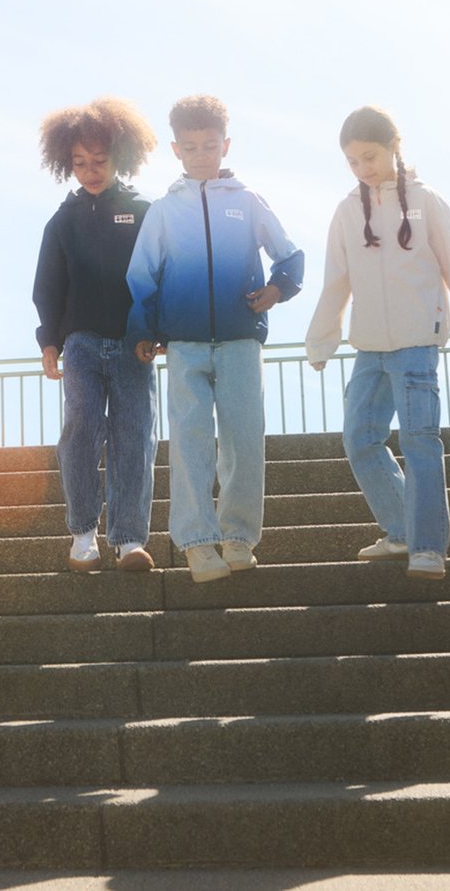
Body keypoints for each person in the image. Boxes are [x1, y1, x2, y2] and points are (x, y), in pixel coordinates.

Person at [127, 94, 304, 583]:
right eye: (191, 147)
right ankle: (198, 543)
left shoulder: (248, 202)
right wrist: (142, 328)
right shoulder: (163, 210)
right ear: (175, 150)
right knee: (189, 441)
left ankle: (238, 536)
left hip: (240, 341)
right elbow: (142, 273)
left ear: (225, 145)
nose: (202, 154)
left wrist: (277, 289)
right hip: (183, 344)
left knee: (243, 441)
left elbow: (290, 257)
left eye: (210, 145)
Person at [306, 105, 450, 580]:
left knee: (419, 440)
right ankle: (401, 530)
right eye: (352, 161)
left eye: (370, 156)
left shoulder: (427, 200)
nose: (363, 168)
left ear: (393, 147)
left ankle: (428, 547)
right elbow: (336, 280)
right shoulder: (347, 210)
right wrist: (321, 340)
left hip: (415, 345)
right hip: (370, 348)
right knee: (360, 438)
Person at [33, 97, 158, 572]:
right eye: (79, 163)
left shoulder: (144, 212)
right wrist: (49, 341)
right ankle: (83, 535)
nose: (89, 170)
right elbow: (47, 286)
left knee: (134, 435)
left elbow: (157, 276)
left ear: (119, 156)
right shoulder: (62, 221)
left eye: (99, 161)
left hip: (133, 344)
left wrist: (154, 328)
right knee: (81, 427)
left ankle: (129, 540)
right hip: (81, 342)